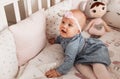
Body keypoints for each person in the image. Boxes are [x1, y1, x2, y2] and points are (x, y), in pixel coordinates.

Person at [45, 9, 111, 79]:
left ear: (78, 31)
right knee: (79, 65)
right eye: (63, 22)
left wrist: (58, 71)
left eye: (70, 25)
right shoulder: (64, 35)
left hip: (94, 50)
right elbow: (60, 38)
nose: (64, 26)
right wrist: (55, 41)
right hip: (81, 56)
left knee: (98, 66)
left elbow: (69, 62)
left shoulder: (72, 45)